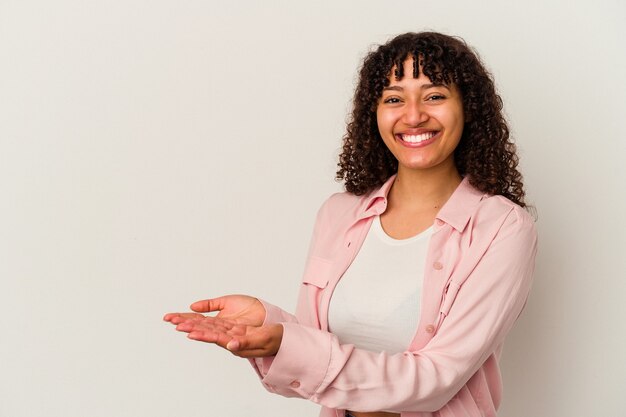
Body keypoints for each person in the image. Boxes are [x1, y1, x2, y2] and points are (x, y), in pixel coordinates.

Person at [164, 32, 538, 417]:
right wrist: (269, 324)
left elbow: (436, 381)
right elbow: (317, 355)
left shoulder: (503, 228)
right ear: (373, 114)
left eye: (434, 96)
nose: (413, 115)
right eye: (394, 98)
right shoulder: (338, 214)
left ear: (468, 108)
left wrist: (287, 345)